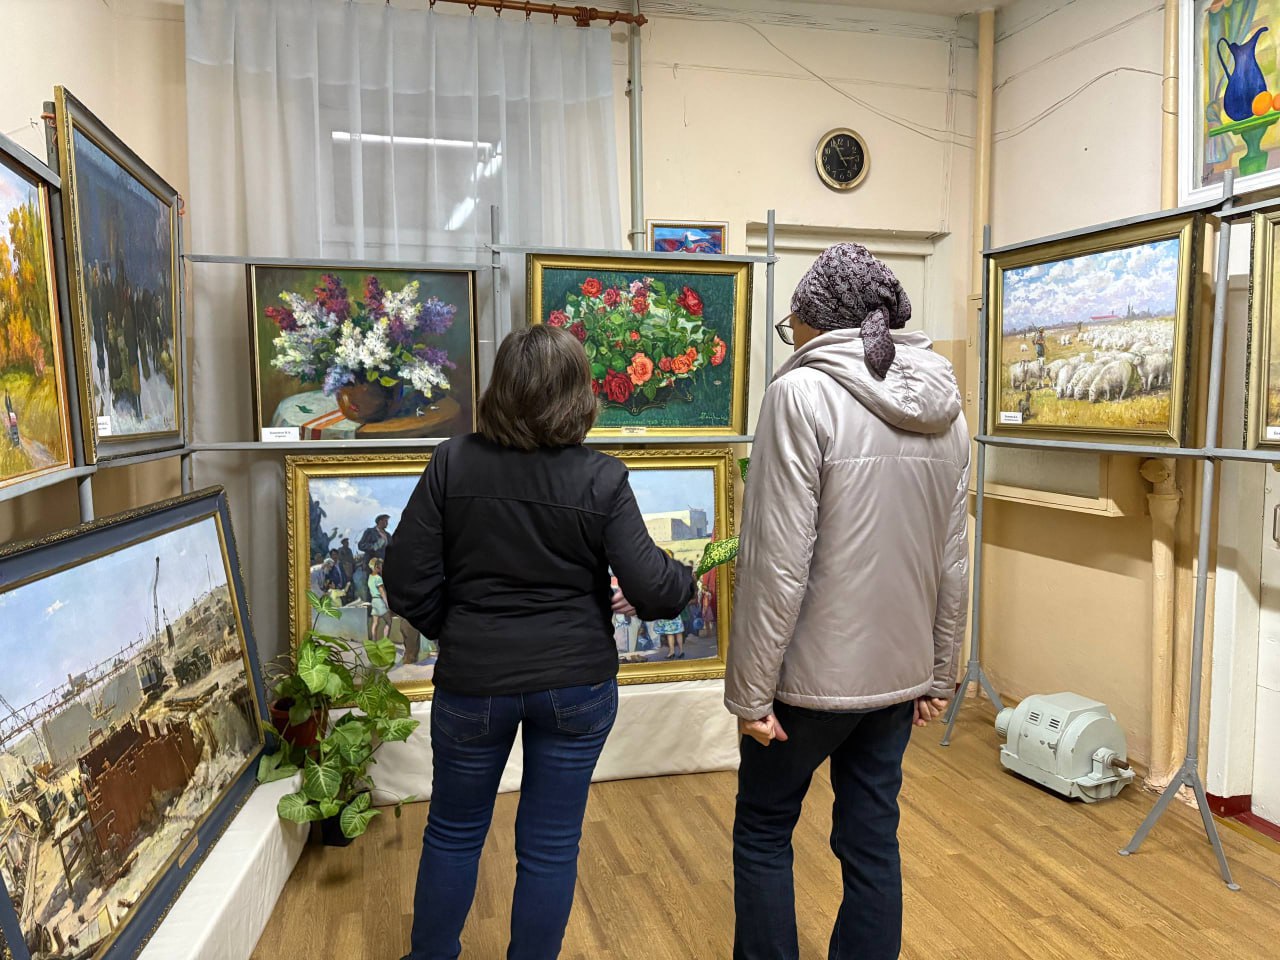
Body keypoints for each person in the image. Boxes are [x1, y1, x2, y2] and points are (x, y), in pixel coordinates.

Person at [385, 325, 691, 960]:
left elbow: (404, 580)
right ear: (578, 396)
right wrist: (687, 576)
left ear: (502, 390)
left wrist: (460, 628)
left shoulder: (453, 461)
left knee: (453, 831)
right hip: (576, 686)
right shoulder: (601, 479)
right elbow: (658, 592)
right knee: (551, 843)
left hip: (473, 685)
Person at [725, 243, 970, 960]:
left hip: (805, 681)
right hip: (896, 677)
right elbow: (951, 558)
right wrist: (940, 671)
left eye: (788, 322)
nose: (789, 336)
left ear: (813, 322)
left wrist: (750, 694)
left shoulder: (798, 395)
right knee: (871, 839)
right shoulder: (947, 407)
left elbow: (777, 563)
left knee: (764, 830)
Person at [367, 557, 391, 643]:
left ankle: (374, 641)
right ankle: (385, 641)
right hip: (380, 601)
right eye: (380, 565)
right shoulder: (378, 578)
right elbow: (382, 592)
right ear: (377, 566)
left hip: (374, 601)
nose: (382, 567)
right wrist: (387, 604)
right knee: (389, 622)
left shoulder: (370, 577)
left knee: (375, 622)